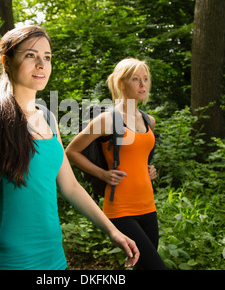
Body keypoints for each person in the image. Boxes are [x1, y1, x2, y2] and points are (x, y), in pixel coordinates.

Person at [0, 26, 139, 270]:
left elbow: (71, 187)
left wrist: (113, 231)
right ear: (6, 62)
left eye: (47, 57)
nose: (41, 64)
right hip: (11, 261)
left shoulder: (49, 118)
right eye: (30, 55)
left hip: (55, 258)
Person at [66, 58, 167, 270]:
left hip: (148, 205)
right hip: (120, 209)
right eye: (136, 79)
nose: (143, 85)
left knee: (144, 267)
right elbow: (71, 152)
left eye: (146, 79)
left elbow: (139, 157)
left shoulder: (149, 120)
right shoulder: (107, 119)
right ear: (121, 83)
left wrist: (149, 170)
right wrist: (102, 174)